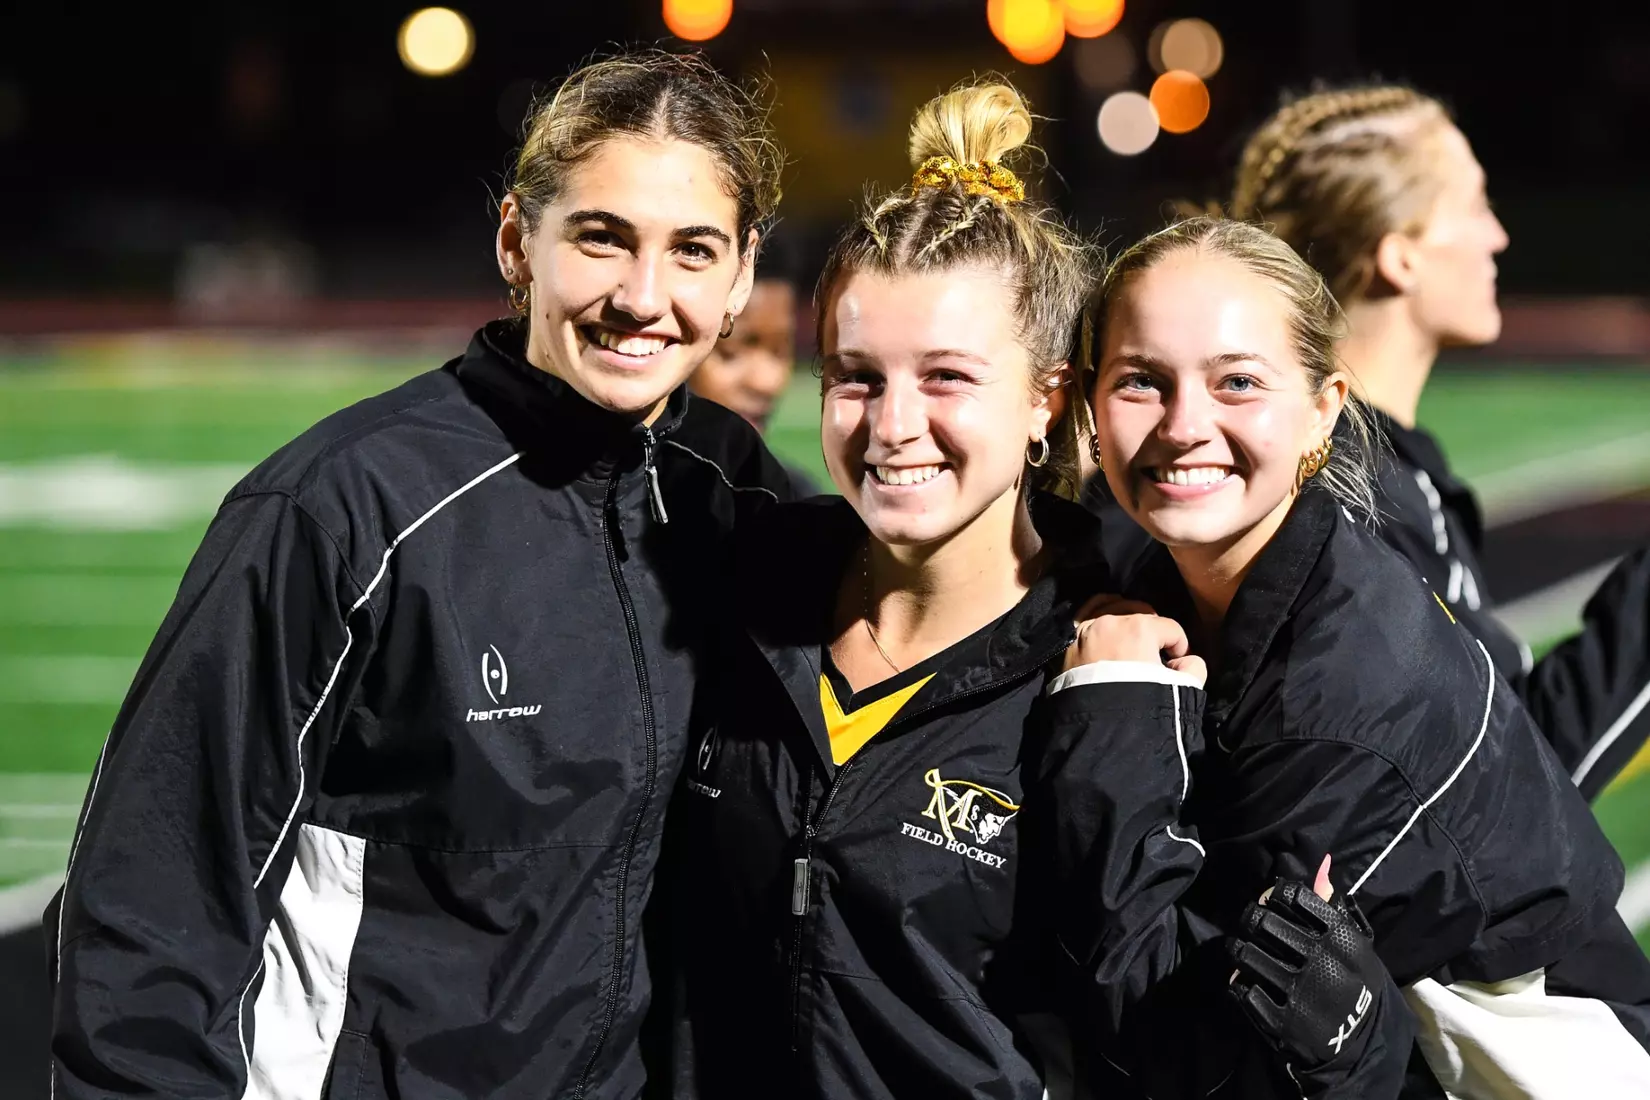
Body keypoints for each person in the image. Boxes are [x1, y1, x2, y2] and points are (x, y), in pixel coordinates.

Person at [47, 50, 792, 1100]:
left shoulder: (739, 497)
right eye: (601, 237)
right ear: (515, 242)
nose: (644, 297)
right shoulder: (340, 509)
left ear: (743, 274)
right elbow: (154, 894)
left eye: (693, 250)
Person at [665, 84, 1407, 1100]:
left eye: (946, 377)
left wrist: (1350, 1041)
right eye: (856, 376)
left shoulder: (1117, 671)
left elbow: (1166, 1035)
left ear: (1043, 401)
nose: (892, 423)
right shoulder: (749, 584)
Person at [1084, 215, 1650, 1098]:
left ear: (1324, 410)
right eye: (1141, 382)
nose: (1184, 424)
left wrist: (1109, 706)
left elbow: (1168, 1043)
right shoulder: (1197, 570)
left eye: (1237, 381)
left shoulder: (1340, 709)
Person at [1221, 85, 1650, 799]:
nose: (1498, 237)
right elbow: (1508, 790)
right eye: (1476, 206)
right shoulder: (1357, 488)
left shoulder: (1366, 464)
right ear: (1401, 258)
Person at [687, 226, 823, 496]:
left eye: (780, 351)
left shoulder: (793, 501)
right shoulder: (607, 500)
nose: (766, 382)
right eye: (731, 352)